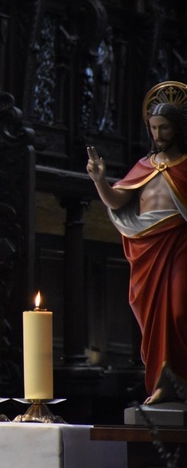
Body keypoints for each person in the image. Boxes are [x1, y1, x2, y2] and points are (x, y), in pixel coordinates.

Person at [86, 96, 187, 405]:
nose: (158, 135)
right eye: (153, 128)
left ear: (178, 129)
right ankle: (163, 382)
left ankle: (181, 379)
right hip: (147, 248)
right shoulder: (143, 166)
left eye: (165, 128)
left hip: (179, 243)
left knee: (180, 309)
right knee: (151, 317)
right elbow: (117, 201)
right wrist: (100, 181)